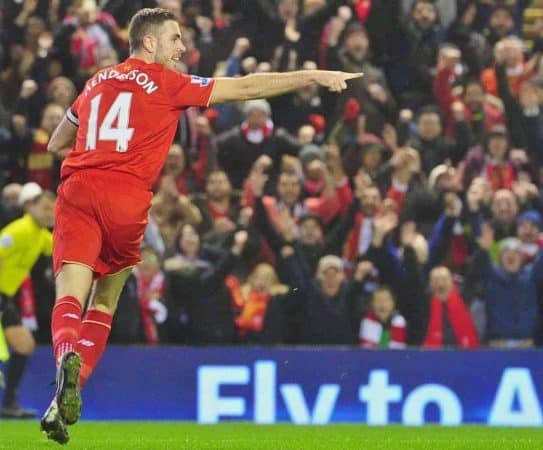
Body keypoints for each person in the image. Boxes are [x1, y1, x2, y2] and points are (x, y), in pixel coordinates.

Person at [40, 7, 362, 443]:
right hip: (128, 197)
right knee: (105, 301)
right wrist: (312, 75)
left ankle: (64, 361)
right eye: (175, 39)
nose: (182, 47)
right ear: (149, 43)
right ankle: (67, 395)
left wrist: (95, 156)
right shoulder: (169, 83)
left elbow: (58, 142)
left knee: (69, 297)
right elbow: (247, 87)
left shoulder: (96, 82)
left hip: (79, 187)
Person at [0, 189, 55, 418]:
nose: (50, 213)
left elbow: (63, 250)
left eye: (53, 209)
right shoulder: (19, 230)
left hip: (5, 298)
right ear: (29, 206)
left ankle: (8, 403)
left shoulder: (41, 236)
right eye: (44, 208)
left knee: (24, 345)